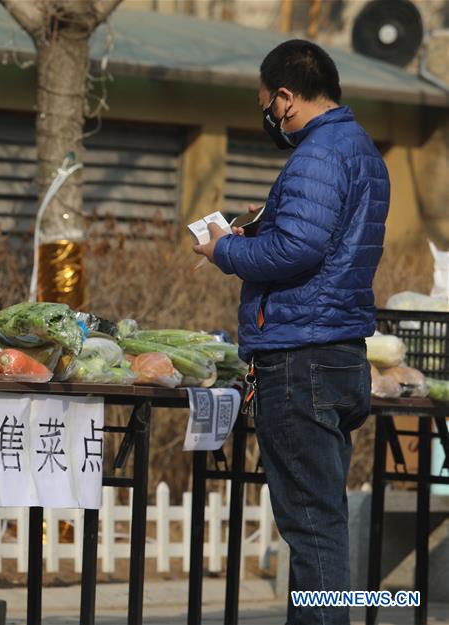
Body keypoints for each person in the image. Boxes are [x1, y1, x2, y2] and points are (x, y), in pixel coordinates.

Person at [193, 39, 389, 625]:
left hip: (301, 358)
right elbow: (321, 246)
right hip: (338, 355)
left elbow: (298, 250)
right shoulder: (362, 151)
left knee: (313, 529)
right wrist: (262, 229)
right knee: (320, 523)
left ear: (285, 96)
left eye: (267, 105)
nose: (269, 118)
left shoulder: (318, 155)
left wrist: (225, 249)